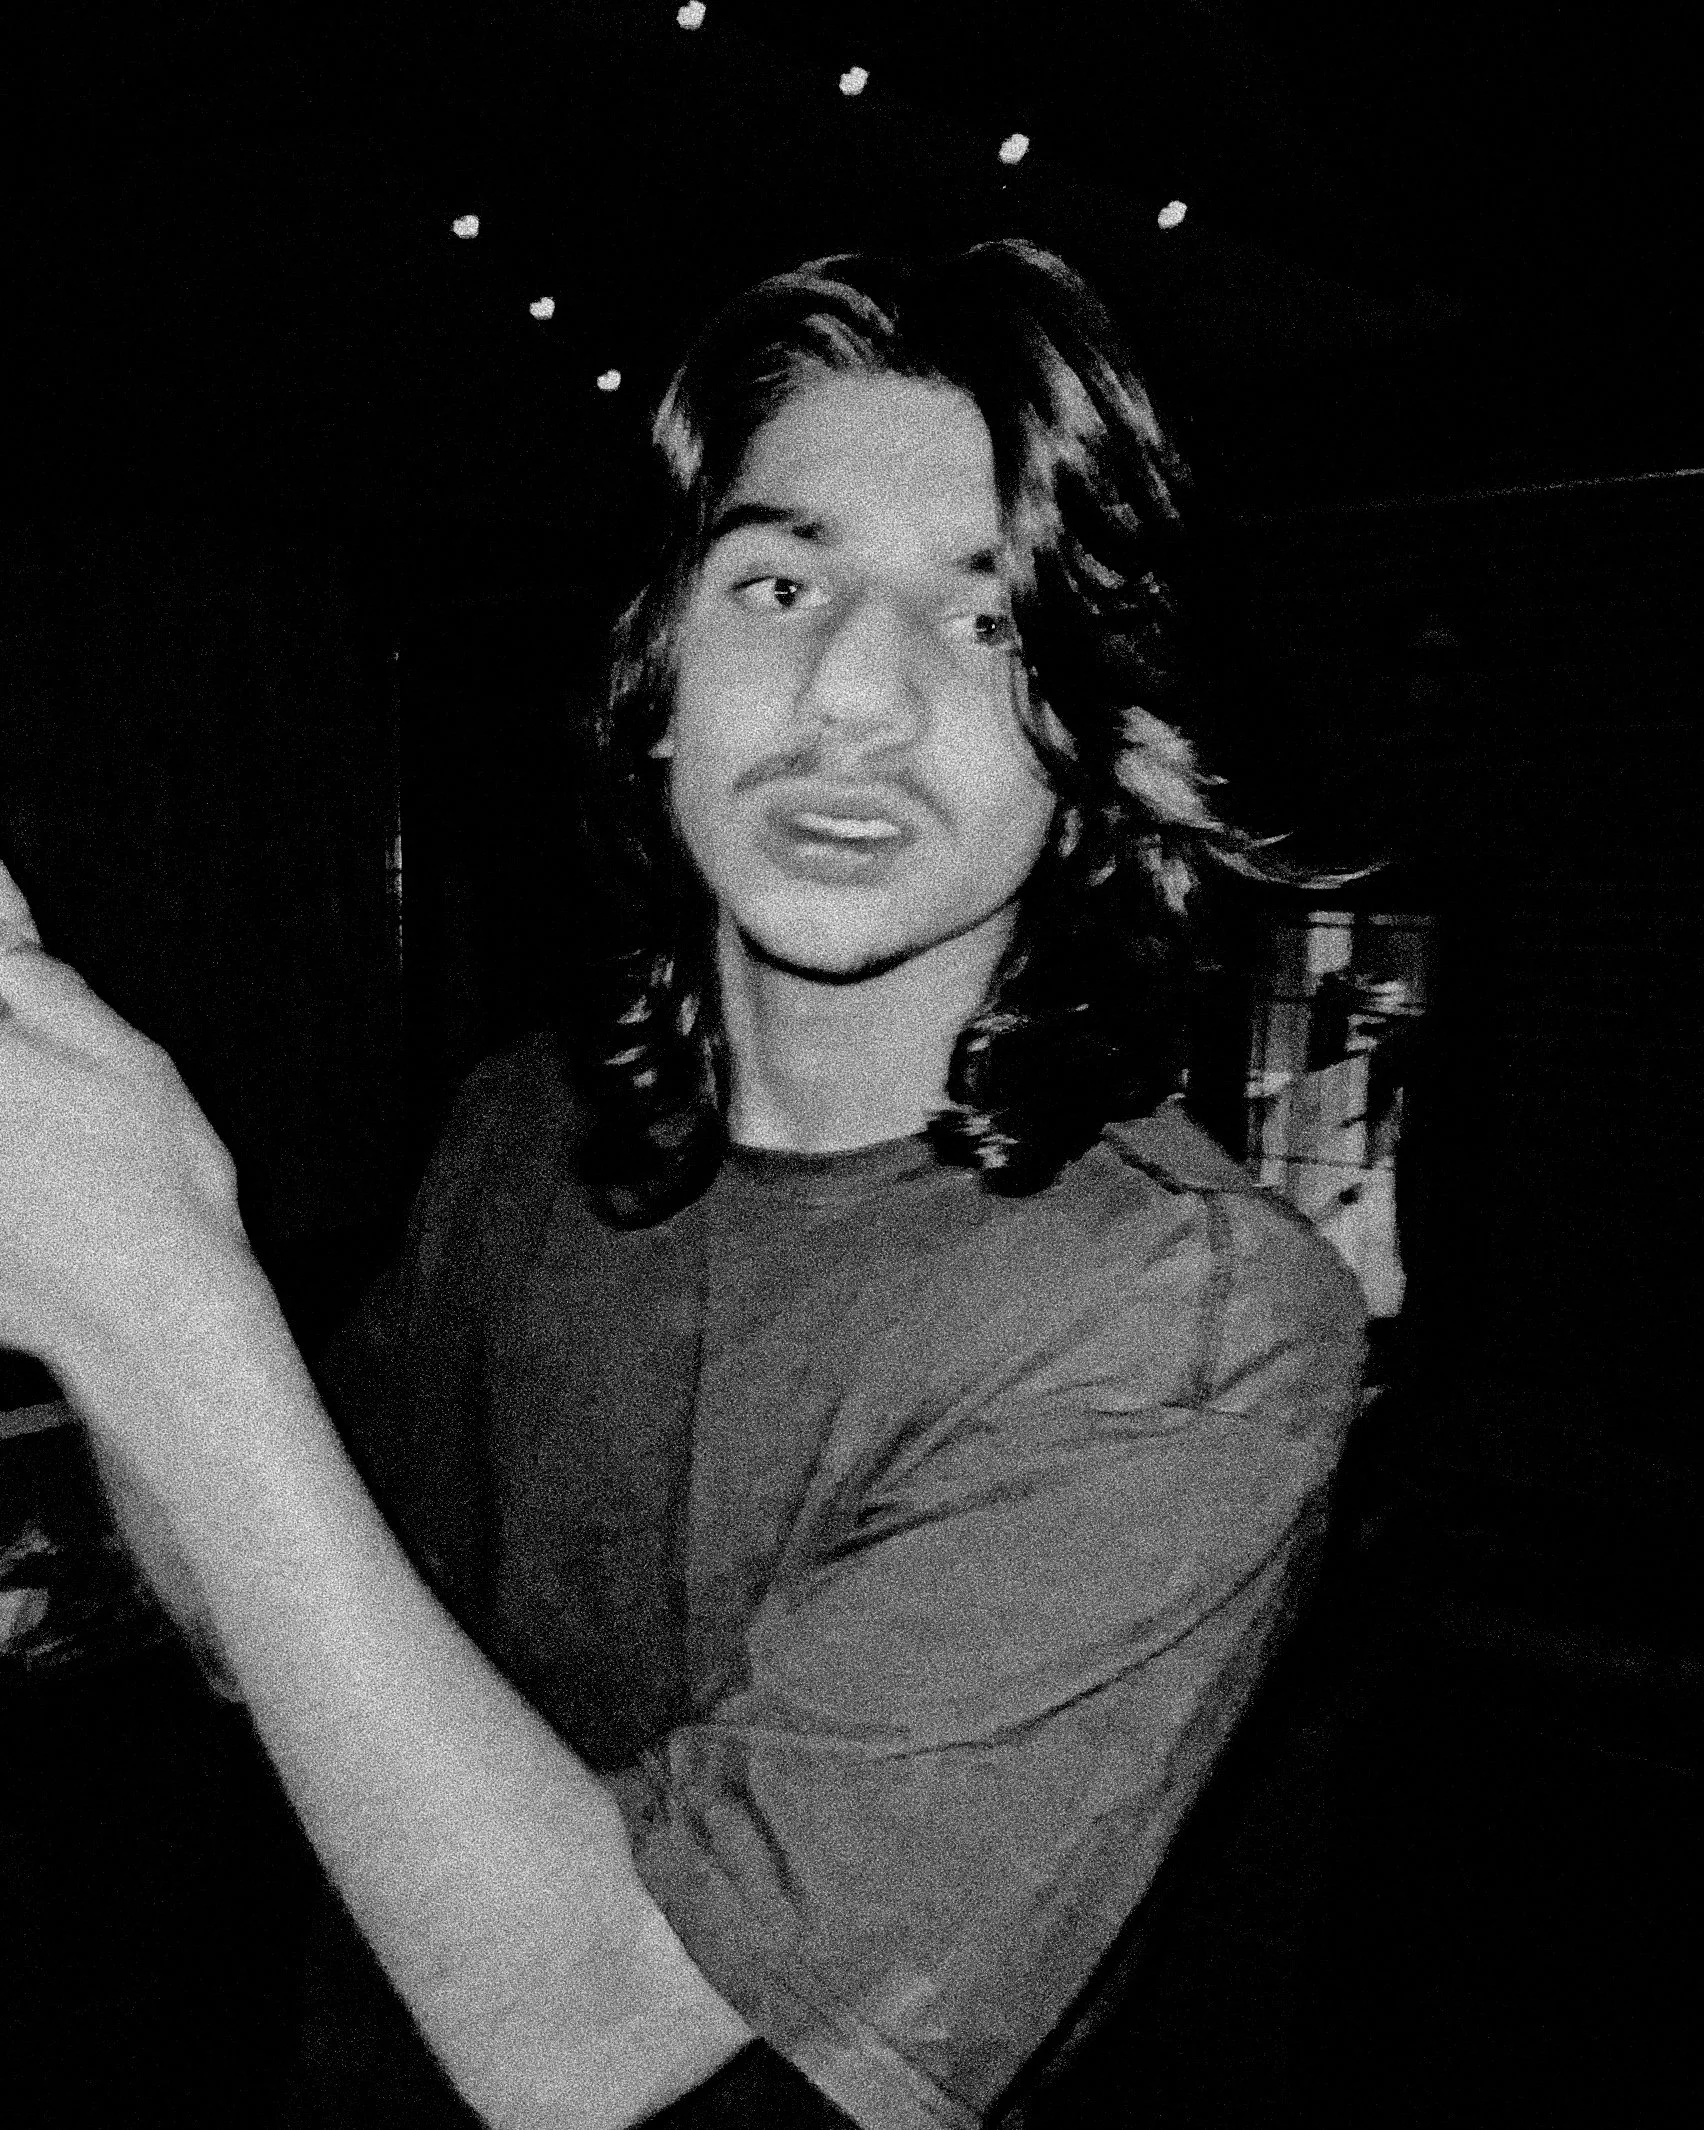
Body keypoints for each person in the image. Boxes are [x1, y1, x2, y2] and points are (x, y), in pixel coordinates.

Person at [0, 240, 1365, 2130]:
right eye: (780, 580)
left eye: (988, 619)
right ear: (659, 671)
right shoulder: (526, 1129)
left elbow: (591, 2048)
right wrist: (51, 1147)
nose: (857, 696)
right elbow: (275, 1612)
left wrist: (153, 1282)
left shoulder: (1189, 1318)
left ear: (1096, 736)